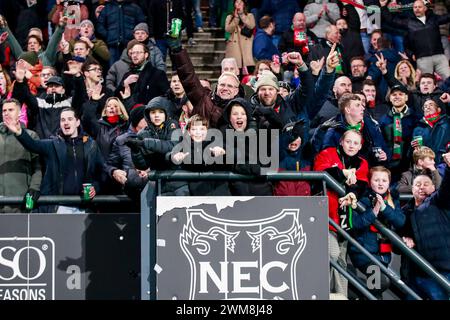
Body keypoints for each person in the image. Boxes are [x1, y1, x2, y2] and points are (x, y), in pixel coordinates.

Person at [4, 107, 105, 214]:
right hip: (59, 207)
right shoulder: (52, 144)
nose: (66, 123)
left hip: (84, 208)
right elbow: (33, 145)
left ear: (77, 122)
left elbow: (102, 173)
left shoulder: (91, 145)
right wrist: (19, 132)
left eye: (70, 119)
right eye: (63, 120)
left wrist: (95, 187)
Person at [314, 129, 370, 299]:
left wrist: (352, 194)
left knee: (341, 261)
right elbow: (321, 173)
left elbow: (360, 185)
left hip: (345, 221)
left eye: (355, 143)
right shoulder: (327, 153)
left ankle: (341, 295)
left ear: (360, 146)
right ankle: (320, 293)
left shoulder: (362, 163)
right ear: (341, 142)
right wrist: (343, 173)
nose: (351, 145)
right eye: (348, 141)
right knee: (332, 254)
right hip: (324, 216)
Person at [348, 166, 405, 298]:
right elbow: (355, 224)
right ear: (369, 182)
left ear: (389, 183)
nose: (380, 183)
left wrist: (384, 208)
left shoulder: (393, 199)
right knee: (382, 282)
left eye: (384, 180)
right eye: (376, 180)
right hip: (364, 253)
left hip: (383, 255)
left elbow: (400, 222)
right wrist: (373, 212)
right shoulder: (361, 198)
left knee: (377, 291)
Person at [400, 151, 450, 300]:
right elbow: (396, 241)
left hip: (442, 269)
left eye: (426, 184)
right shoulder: (405, 211)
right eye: (417, 184)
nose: (421, 187)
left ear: (433, 187)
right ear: (412, 189)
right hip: (415, 272)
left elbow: (447, 188)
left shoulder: (437, 201)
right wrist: (404, 239)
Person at [0, 98, 41, 213]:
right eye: (4, 111)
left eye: (11, 110)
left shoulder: (31, 136)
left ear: (19, 113)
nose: (6, 113)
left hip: (20, 203)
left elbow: (38, 167)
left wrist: (34, 188)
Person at [224, 0, 256, 74]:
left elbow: (251, 25)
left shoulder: (250, 15)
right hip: (234, 49)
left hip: (247, 48)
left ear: (244, 5)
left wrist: (242, 15)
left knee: (248, 73)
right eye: (237, 2)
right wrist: (236, 18)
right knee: (235, 71)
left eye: (241, 2)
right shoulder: (229, 17)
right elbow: (228, 29)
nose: (238, 4)